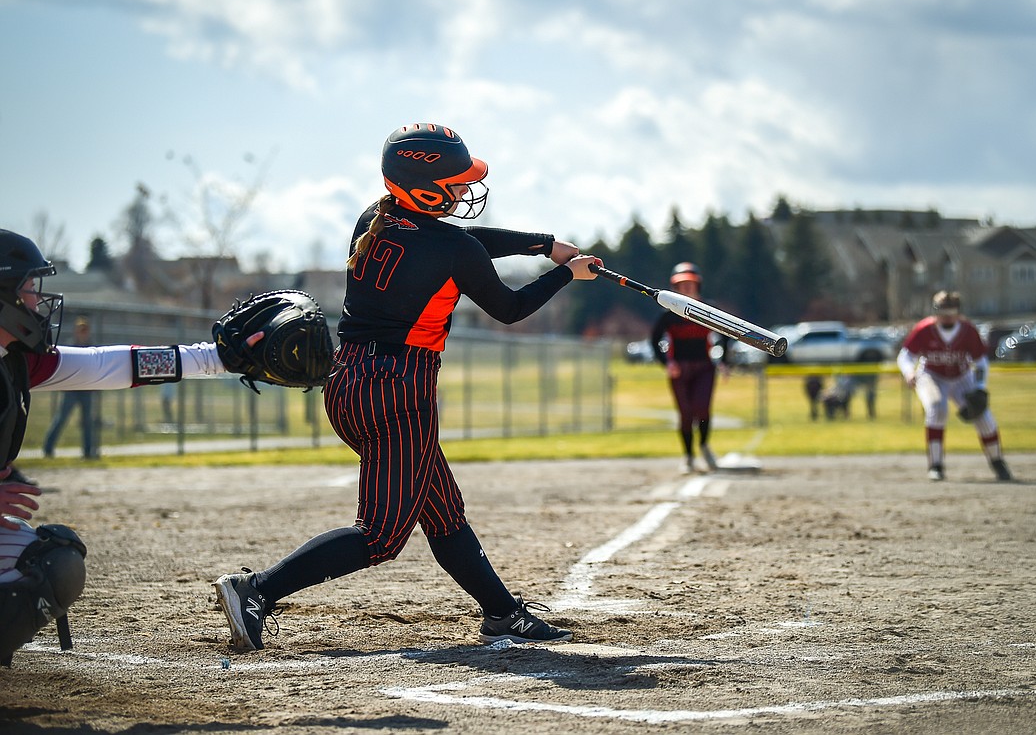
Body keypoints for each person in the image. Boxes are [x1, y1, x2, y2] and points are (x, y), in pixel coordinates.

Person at [213, 123, 600, 651]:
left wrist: (545, 245)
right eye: (454, 182)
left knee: (441, 509)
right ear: (423, 186)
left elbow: (462, 244)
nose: (464, 190)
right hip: (397, 391)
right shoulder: (451, 248)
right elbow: (507, 308)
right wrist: (565, 274)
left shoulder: (374, 218)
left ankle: (503, 613)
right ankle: (256, 589)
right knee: (380, 535)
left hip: (350, 382)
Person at [0, 228, 232, 665]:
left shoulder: (15, 359)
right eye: (28, 288)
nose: (37, 300)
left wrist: (219, 358)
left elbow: (113, 365)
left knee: (51, 563)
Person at [897, 290, 1013, 482]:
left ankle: (998, 462)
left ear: (958, 312)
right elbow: (905, 355)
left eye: (951, 312)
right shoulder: (924, 329)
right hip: (932, 375)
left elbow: (981, 361)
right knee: (937, 408)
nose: (947, 316)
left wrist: (980, 387)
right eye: (943, 311)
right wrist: (909, 371)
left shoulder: (968, 330)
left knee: (984, 418)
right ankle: (935, 466)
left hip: (961, 376)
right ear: (935, 311)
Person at [650, 262, 730, 473]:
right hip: (680, 369)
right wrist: (667, 363)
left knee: (702, 408)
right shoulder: (668, 314)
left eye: (690, 284)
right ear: (675, 287)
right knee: (685, 414)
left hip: (704, 367)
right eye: (681, 284)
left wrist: (723, 360)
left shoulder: (708, 309)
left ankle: (704, 445)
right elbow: (654, 340)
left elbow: (724, 335)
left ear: (697, 285)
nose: (686, 288)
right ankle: (688, 456)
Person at [42, 317, 98, 459]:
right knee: (61, 418)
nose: (82, 333)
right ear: (76, 332)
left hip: (86, 389)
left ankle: (88, 452)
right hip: (71, 389)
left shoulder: (92, 348)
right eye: (80, 330)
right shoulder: (70, 347)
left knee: (87, 422)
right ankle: (48, 448)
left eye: (85, 330)